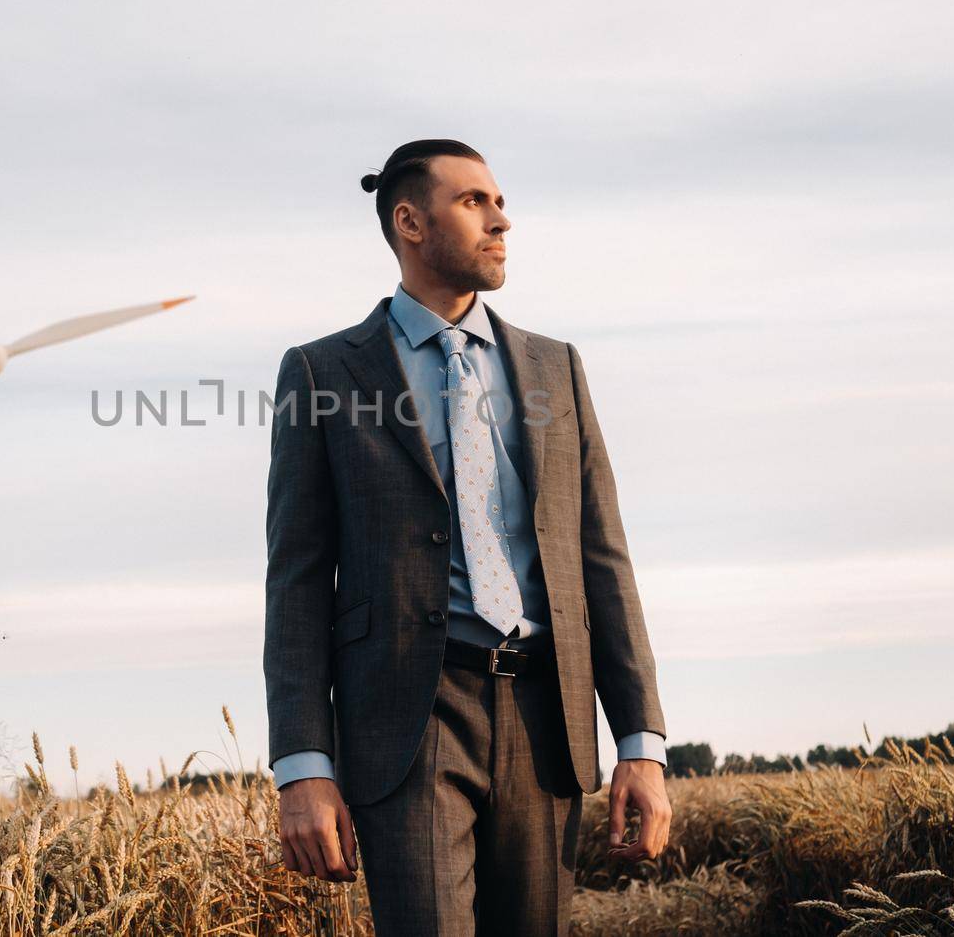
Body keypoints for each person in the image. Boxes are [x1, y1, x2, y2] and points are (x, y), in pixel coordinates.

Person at [262, 138, 673, 936]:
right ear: (409, 221)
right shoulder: (322, 373)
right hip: (406, 720)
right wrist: (303, 766)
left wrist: (642, 742)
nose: (502, 220)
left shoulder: (557, 367)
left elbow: (602, 558)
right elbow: (298, 579)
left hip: (546, 713)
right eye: (474, 201)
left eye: (500, 200)